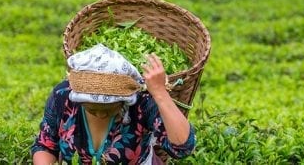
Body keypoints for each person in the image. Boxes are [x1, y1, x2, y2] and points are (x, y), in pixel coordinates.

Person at [31, 44, 196, 164]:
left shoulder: (141, 102)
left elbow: (182, 149)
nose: (101, 114)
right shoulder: (63, 96)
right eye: (92, 108)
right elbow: (45, 145)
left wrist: (160, 93)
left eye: (109, 108)